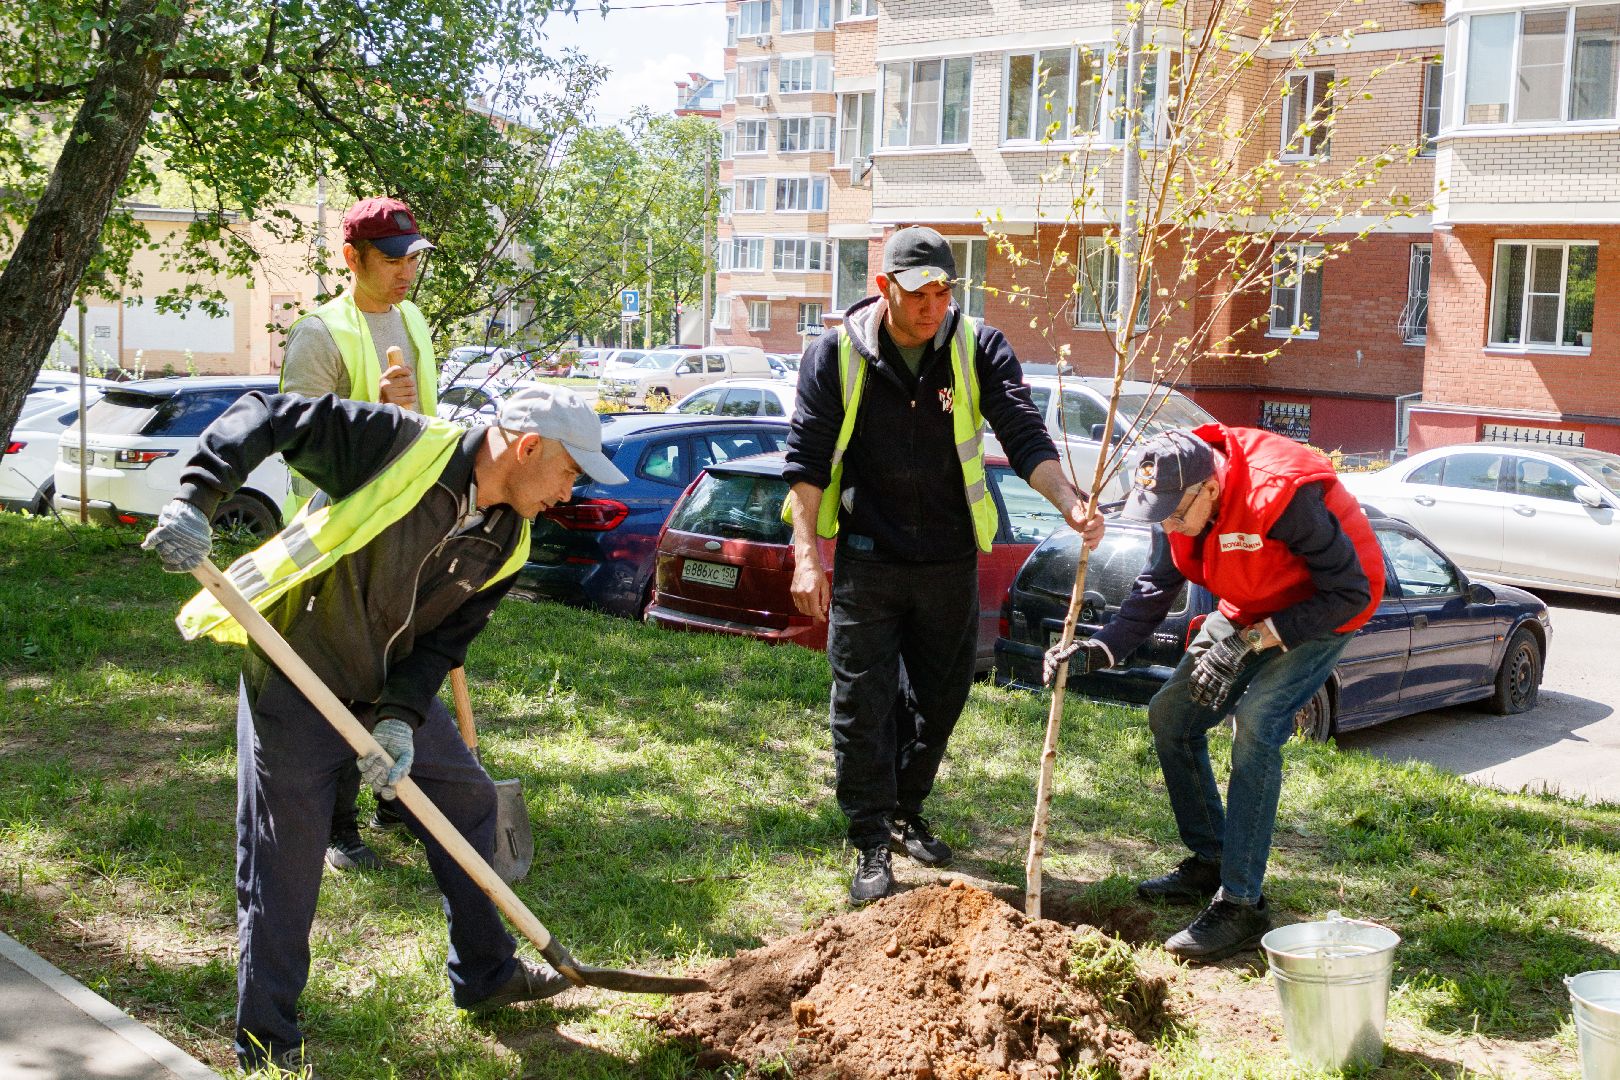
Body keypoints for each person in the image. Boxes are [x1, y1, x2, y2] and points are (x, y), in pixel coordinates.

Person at [141, 386, 627, 1077]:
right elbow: (268, 413)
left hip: (385, 684)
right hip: (297, 667)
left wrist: (399, 720)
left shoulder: (508, 540)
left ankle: (487, 976)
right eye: (570, 472)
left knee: (467, 801)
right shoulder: (396, 446)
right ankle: (266, 1042)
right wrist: (196, 496)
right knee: (286, 860)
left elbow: (439, 645)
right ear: (525, 447)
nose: (568, 493)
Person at [784, 226, 1101, 906]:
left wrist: (1068, 499)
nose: (932, 308)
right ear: (884, 288)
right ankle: (870, 838)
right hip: (868, 561)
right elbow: (807, 463)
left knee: (941, 698)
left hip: (949, 561)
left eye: (943, 292)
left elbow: (1021, 432)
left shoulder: (975, 346)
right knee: (861, 702)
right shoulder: (833, 355)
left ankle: (905, 805)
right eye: (918, 293)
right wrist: (806, 558)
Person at [1045, 425, 1385, 962]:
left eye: (1176, 513)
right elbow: (1159, 581)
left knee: (1256, 724)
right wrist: (1101, 648)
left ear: (1210, 487)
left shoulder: (1281, 493)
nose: (1169, 524)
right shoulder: (1176, 501)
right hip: (1248, 605)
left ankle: (1242, 904)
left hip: (1322, 610)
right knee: (1171, 718)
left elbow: (1349, 590)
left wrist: (1250, 644)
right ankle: (1212, 857)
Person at [280, 195, 440, 872]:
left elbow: (426, 423)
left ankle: (392, 798)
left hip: (405, 531)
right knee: (338, 682)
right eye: (394, 259)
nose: (408, 272)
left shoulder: (412, 319)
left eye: (414, 259)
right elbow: (297, 441)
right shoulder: (320, 334)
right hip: (336, 539)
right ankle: (335, 827)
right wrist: (372, 416)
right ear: (353, 258)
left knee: (397, 672)